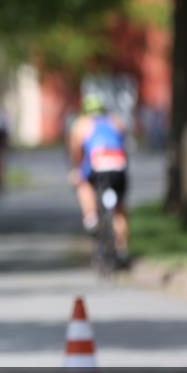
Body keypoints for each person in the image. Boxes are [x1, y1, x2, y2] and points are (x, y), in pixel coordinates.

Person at [68, 93, 130, 266]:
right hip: (118, 164)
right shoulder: (116, 121)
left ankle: (91, 217)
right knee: (119, 209)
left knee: (83, 184)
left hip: (97, 164)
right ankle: (122, 248)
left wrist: (77, 170)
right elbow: (122, 143)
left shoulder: (81, 124)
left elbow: (76, 152)